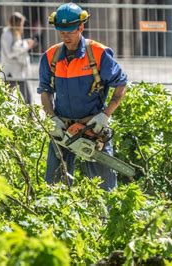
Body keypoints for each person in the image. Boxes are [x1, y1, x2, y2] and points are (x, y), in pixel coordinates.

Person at [37, 3, 128, 191]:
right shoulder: (50, 56)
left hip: (92, 127)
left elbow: (121, 84)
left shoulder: (98, 53)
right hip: (62, 128)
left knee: (105, 188)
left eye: (70, 31)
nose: (65, 36)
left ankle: (105, 219)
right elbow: (45, 91)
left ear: (81, 27)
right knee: (54, 186)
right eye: (62, 32)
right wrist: (52, 118)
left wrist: (104, 116)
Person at [0, 12, 36, 104]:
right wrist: (26, 46)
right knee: (5, 99)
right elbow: (9, 53)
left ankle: (30, 117)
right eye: (21, 24)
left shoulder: (15, 33)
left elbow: (17, 46)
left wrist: (25, 42)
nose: (22, 26)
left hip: (18, 71)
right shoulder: (7, 34)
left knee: (27, 97)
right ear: (16, 23)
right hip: (10, 72)